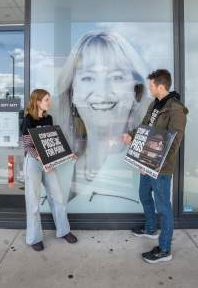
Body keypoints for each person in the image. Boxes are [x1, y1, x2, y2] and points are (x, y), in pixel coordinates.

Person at [56, 31, 150, 212]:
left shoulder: (143, 167)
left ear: (135, 92)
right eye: (88, 78)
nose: (102, 91)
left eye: (116, 77)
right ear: (72, 93)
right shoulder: (64, 161)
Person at [123, 69, 188, 263]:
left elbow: (174, 141)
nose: (149, 88)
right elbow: (145, 128)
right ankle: (150, 228)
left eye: (151, 85)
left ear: (161, 86)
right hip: (146, 161)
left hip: (160, 167)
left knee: (164, 207)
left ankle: (165, 249)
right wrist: (132, 135)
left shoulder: (176, 109)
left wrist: (156, 163)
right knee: (144, 194)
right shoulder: (154, 104)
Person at [21, 88, 77, 251]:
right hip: (33, 163)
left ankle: (64, 231)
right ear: (37, 101)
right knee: (33, 203)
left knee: (58, 197)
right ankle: (34, 238)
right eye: (46, 100)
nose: (49, 102)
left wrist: (68, 154)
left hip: (48, 163)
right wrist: (39, 157)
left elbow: (53, 143)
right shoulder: (28, 120)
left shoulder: (49, 118)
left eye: (49, 99)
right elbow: (26, 144)